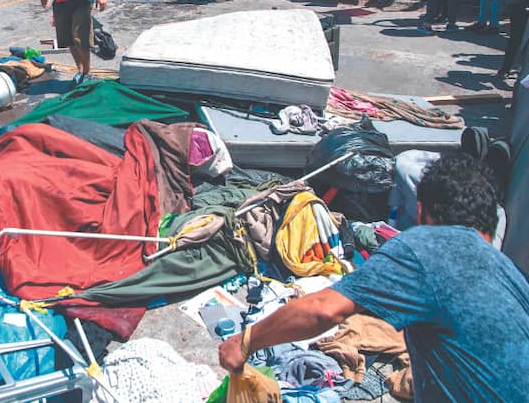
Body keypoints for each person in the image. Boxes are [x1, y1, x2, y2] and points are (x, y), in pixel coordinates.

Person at [217, 151, 529, 402]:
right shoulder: (513, 276)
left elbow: (324, 309)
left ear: (420, 212)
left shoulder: (425, 246)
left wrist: (246, 341)